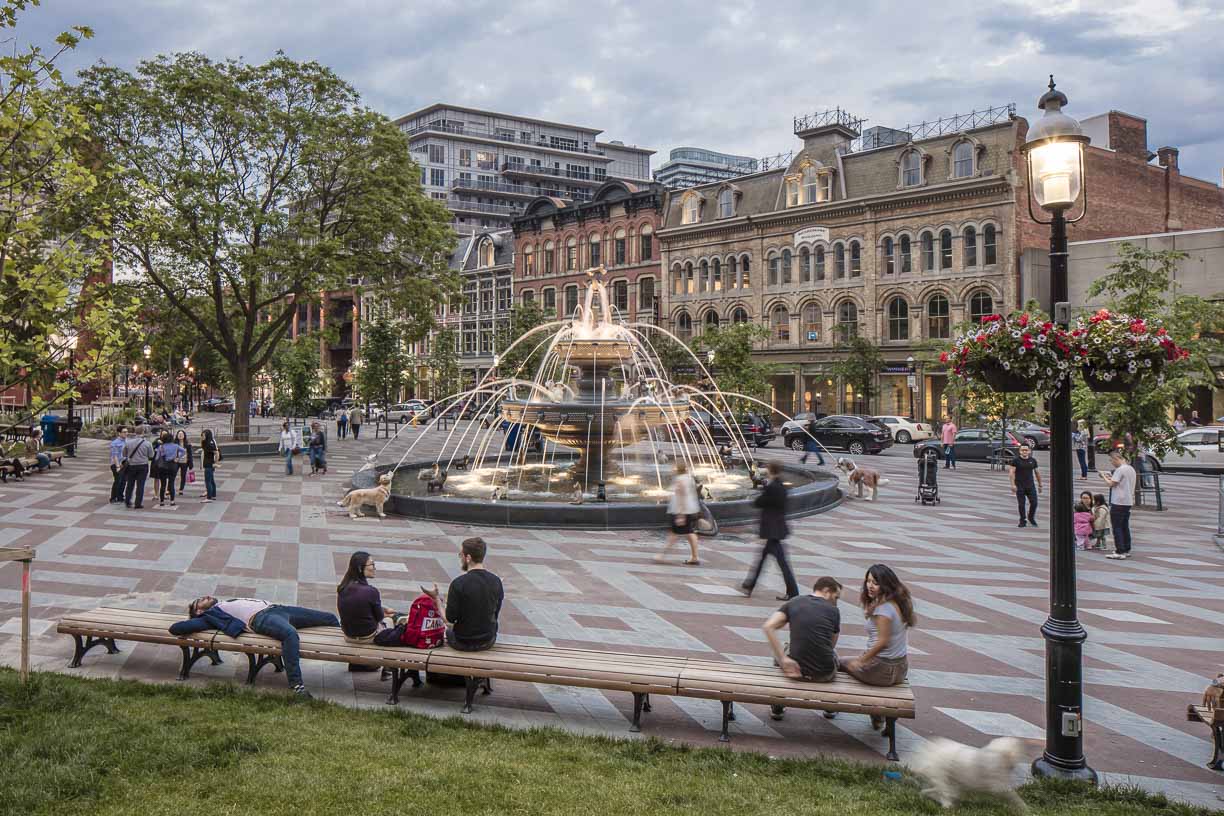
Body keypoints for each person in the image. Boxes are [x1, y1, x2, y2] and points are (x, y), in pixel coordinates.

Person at [170, 596, 338, 699]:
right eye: (200, 600)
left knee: (330, 618)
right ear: (199, 612)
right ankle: (297, 685)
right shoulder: (210, 616)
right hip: (260, 618)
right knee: (290, 634)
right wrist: (195, 619)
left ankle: (358, 661)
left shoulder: (223, 604)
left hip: (278, 608)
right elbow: (176, 628)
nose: (205, 596)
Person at [839, 564, 914, 729]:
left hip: (881, 670)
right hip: (900, 668)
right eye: (868, 581)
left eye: (875, 582)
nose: (870, 586)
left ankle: (830, 705)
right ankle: (877, 715)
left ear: (886, 584)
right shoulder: (898, 602)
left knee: (838, 662)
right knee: (848, 661)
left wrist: (861, 661)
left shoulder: (883, 609)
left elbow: (882, 642)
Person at [764, 576, 843, 722]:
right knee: (834, 654)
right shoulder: (834, 611)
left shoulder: (794, 602)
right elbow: (831, 646)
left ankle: (778, 705)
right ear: (826, 591)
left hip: (795, 671)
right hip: (823, 675)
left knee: (782, 651)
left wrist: (783, 658)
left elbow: (768, 626)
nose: (836, 602)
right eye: (836, 597)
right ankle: (830, 706)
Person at [422, 536, 503, 652]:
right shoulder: (496, 581)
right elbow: (495, 613)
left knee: (448, 631)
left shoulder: (458, 584)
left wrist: (436, 599)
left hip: (463, 641)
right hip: (488, 640)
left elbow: (449, 620)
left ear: (468, 557)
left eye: (461, 555)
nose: (460, 558)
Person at [740, 461, 799, 601]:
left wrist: (762, 491)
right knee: (764, 559)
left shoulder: (773, 487)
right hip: (777, 528)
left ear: (770, 470)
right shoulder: (781, 485)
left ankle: (793, 592)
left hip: (773, 530)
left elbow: (759, 502)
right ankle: (750, 584)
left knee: (781, 563)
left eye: (767, 469)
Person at [337, 551, 402, 648]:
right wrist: (385, 613)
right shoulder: (371, 591)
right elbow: (379, 617)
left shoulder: (343, 587)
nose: (374, 568)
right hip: (367, 637)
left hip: (348, 636)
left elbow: (359, 607)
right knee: (389, 620)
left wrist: (383, 609)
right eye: (372, 564)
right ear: (360, 568)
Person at [659, 461, 700, 565]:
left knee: (675, 533)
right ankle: (695, 557)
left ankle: (661, 555)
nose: (672, 468)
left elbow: (682, 496)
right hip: (690, 509)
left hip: (681, 510)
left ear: (677, 468)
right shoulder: (688, 477)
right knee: (689, 533)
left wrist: (680, 515)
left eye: (674, 467)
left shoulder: (680, 479)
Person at [1101, 450, 1135, 560]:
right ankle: (1126, 548)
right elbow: (1119, 482)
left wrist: (1103, 476)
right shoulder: (1130, 469)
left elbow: (1111, 484)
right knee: (1124, 525)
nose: (1112, 463)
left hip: (1118, 501)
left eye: (1112, 460)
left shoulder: (1120, 470)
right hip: (1128, 501)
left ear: (1117, 458)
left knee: (1117, 526)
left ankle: (1119, 550)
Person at [1008, 444, 1042, 528]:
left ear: (1029, 451)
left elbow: (1037, 472)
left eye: (1026, 450)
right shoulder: (1016, 460)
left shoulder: (1033, 460)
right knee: (1021, 504)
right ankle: (1022, 520)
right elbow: (1011, 473)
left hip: (1030, 485)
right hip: (1019, 485)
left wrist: (1040, 484)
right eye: (1022, 450)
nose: (1024, 451)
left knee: (1034, 503)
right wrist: (1012, 485)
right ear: (1019, 451)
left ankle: (1031, 517)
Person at [121, 429, 154, 509]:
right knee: (140, 485)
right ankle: (138, 503)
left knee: (130, 484)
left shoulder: (128, 442)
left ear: (135, 432)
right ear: (143, 433)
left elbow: (124, 454)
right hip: (143, 465)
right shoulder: (147, 443)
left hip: (131, 465)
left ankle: (128, 501)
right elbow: (151, 455)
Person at [154, 430, 184, 508]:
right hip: (173, 465)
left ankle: (162, 501)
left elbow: (157, 458)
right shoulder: (175, 446)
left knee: (163, 484)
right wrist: (178, 458)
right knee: (171, 483)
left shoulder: (161, 447)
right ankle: (172, 501)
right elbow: (184, 451)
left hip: (163, 466)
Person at [108, 426, 129, 503]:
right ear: (119, 433)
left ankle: (120, 496)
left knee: (124, 481)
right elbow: (115, 455)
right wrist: (117, 466)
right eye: (124, 432)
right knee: (117, 481)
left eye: (127, 432)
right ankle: (113, 497)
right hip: (117, 464)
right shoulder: (115, 443)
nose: (126, 433)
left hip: (125, 463)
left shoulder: (127, 441)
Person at [200, 428, 220, 502]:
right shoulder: (208, 443)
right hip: (209, 464)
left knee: (208, 481)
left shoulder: (209, 444)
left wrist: (215, 462)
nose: (202, 437)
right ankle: (213, 495)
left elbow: (216, 453)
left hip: (209, 464)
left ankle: (209, 497)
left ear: (207, 435)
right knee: (211, 480)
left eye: (203, 435)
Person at [174, 429, 194, 496]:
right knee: (173, 475)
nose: (180, 435)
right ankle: (169, 489)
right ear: (177, 435)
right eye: (179, 434)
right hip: (176, 462)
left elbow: (190, 455)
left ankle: (181, 489)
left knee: (183, 476)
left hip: (184, 462)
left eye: (181, 434)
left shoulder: (187, 444)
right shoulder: (174, 443)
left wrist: (191, 465)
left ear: (184, 435)